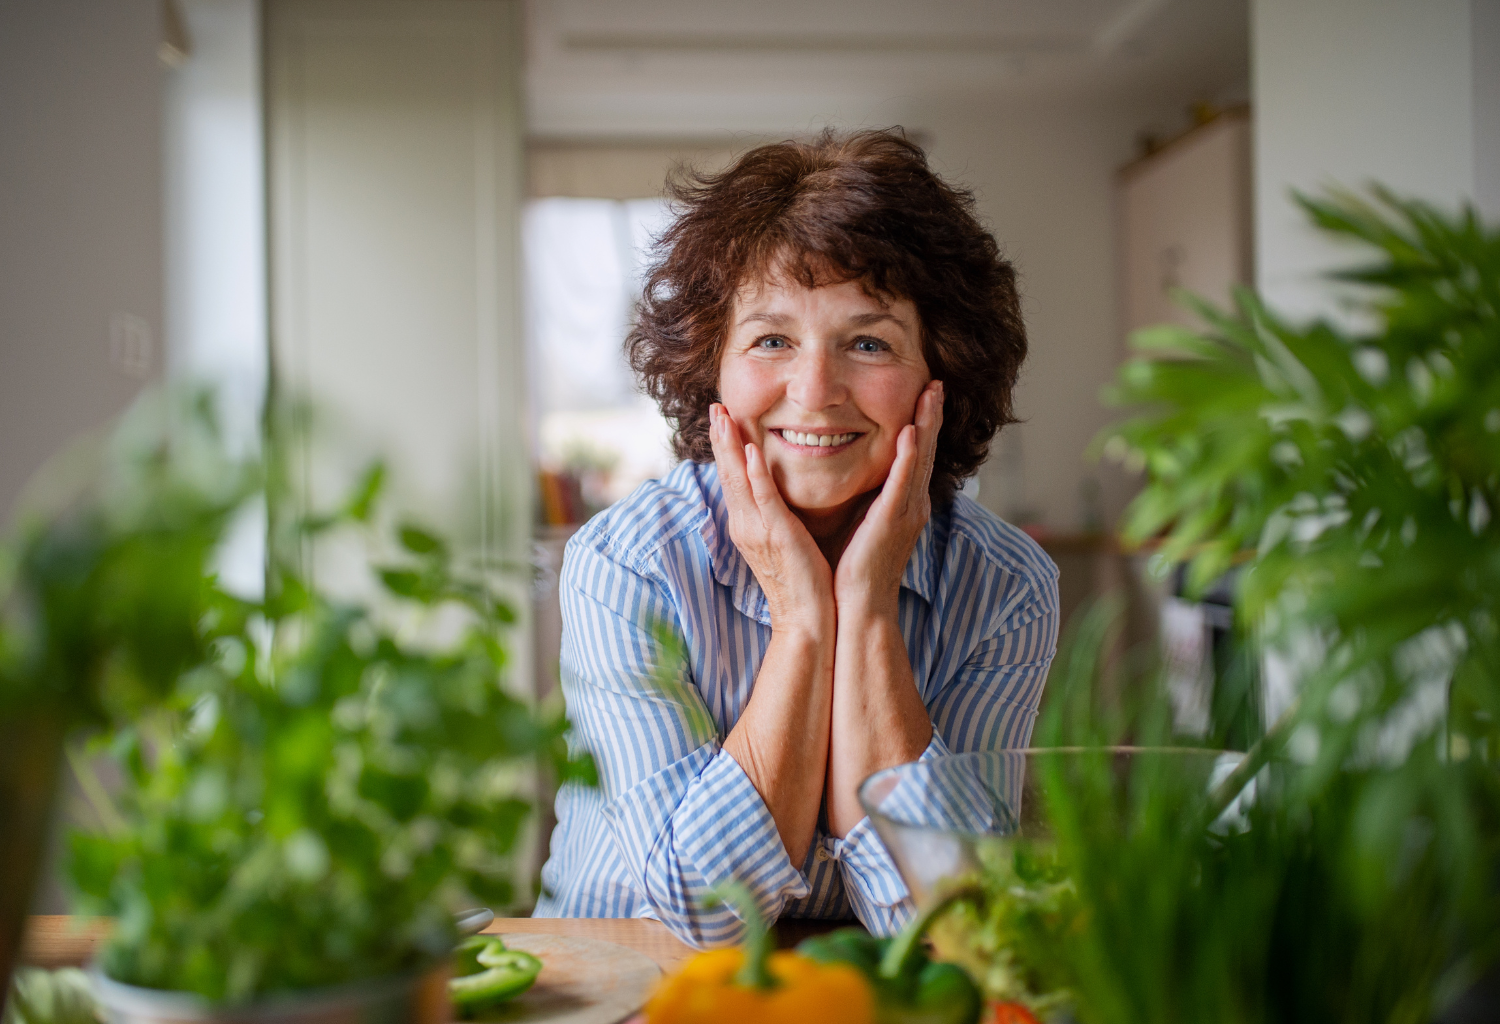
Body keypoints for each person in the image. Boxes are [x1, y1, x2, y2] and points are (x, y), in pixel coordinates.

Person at [532, 128, 1059, 947]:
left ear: (939, 374)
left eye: (869, 342)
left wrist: (870, 609)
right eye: (771, 339)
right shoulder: (627, 564)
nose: (814, 393)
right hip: (626, 980)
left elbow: (950, 921)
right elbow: (704, 912)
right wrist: (805, 620)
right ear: (713, 368)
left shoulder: (1007, 584)